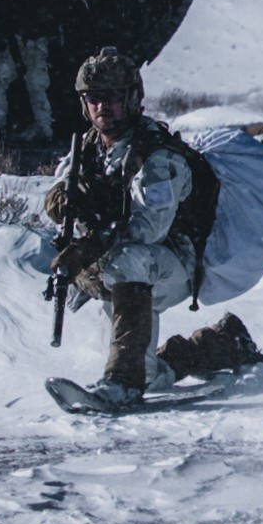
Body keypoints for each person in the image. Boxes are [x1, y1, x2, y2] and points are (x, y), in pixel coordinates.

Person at [44, 46, 215, 411]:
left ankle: (121, 385)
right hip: (122, 272)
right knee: (148, 370)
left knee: (128, 259)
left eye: (110, 98)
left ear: (132, 98)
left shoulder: (156, 155)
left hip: (170, 264)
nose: (101, 107)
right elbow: (59, 198)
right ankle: (221, 346)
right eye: (93, 99)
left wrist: (90, 246)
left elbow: (148, 229)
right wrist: (65, 201)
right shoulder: (89, 149)